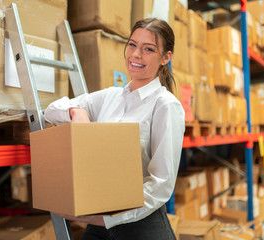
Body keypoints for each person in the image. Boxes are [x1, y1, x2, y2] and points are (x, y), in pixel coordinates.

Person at [44, 18, 185, 240]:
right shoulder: (110, 97)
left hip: (142, 226)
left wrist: (107, 218)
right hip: (100, 220)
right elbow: (51, 109)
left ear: (165, 58)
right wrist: (76, 112)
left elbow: (161, 185)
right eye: (132, 45)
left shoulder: (166, 105)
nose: (136, 55)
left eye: (148, 49)